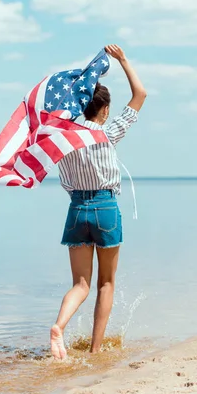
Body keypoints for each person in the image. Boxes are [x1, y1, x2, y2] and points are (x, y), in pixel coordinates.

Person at [50, 44, 147, 360]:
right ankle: (94, 351)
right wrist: (122, 61)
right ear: (104, 110)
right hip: (105, 209)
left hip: (76, 211)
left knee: (80, 285)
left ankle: (59, 327)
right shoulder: (109, 132)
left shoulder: (63, 137)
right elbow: (141, 95)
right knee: (106, 283)